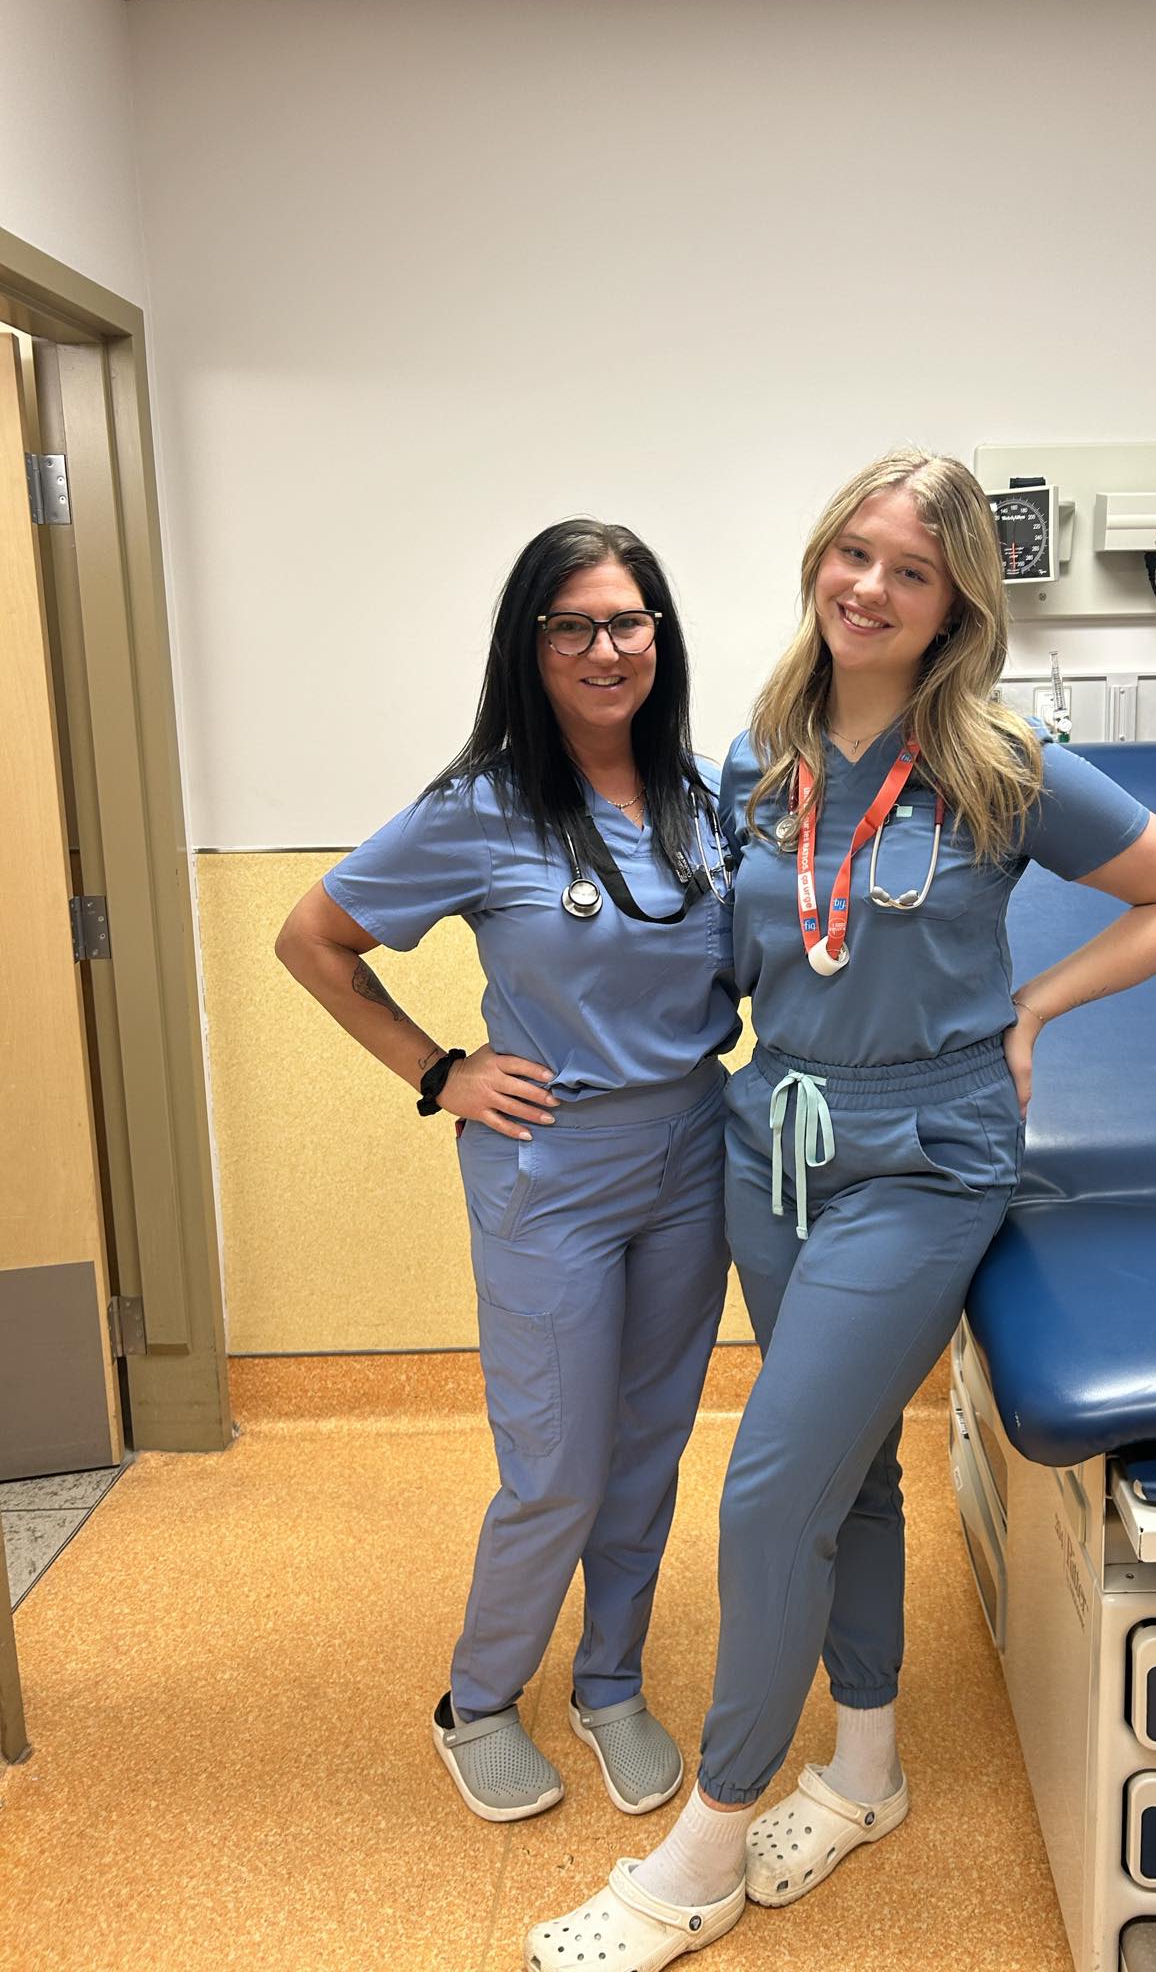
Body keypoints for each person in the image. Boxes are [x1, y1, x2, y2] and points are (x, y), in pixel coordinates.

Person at [525, 451, 1156, 1969]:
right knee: (846, 1477)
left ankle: (701, 1852)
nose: (868, 587)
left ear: (955, 603)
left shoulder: (999, 758)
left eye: (910, 571)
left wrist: (1033, 1005)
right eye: (854, 552)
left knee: (770, 1487)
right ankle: (865, 1772)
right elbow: (736, 953)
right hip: (774, 1140)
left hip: (929, 1151)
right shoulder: (754, 756)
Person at [275, 520, 739, 1827]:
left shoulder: (709, 801)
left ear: (662, 635)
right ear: (529, 645)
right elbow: (312, 941)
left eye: (629, 621)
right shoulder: (478, 810)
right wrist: (440, 1072)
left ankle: (610, 1681)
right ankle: (476, 1699)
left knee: (648, 1449)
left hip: (692, 1150)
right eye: (573, 625)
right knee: (559, 1464)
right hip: (553, 1165)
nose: (606, 648)